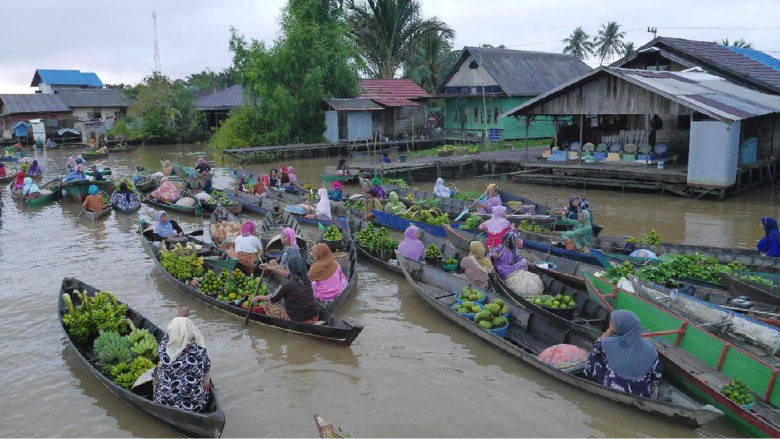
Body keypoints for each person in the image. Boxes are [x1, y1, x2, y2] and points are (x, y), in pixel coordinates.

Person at [585, 310, 662, 398]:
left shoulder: (607, 343)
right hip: (641, 394)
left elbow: (596, 346)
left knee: (595, 355)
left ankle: (593, 380)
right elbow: (657, 374)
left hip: (614, 388)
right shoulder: (651, 349)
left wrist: (609, 330)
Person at [154, 307, 211, 412]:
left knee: (156, 371)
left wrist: (179, 317)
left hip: (164, 402)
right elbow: (207, 369)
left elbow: (168, 335)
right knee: (204, 376)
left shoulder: (163, 348)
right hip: (195, 406)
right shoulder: (200, 351)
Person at [251, 255, 320, 323]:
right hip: (314, 316)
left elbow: (272, 299)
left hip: (300, 320)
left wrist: (257, 298)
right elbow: (286, 274)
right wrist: (270, 268)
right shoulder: (306, 278)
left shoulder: (286, 285)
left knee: (266, 304)